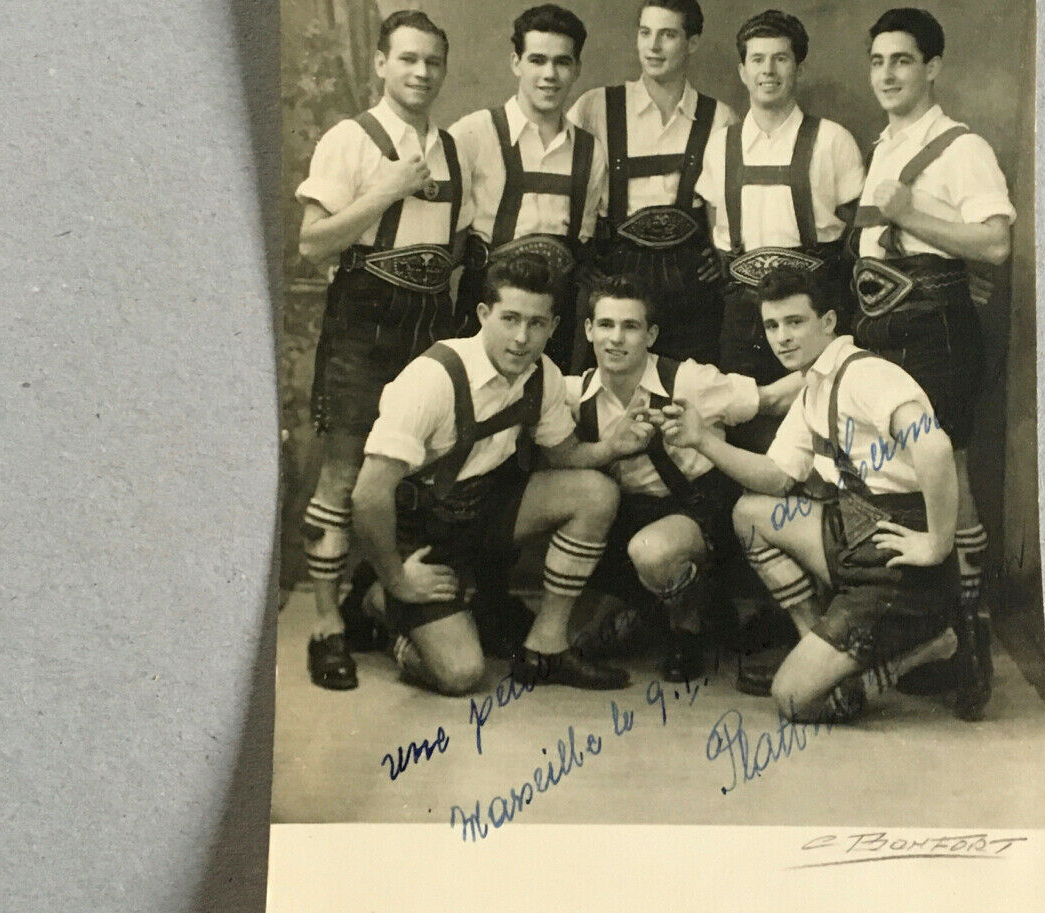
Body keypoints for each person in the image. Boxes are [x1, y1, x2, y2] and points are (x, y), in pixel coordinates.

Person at [660, 267, 991, 722]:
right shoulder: (815, 384)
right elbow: (776, 477)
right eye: (772, 326)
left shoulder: (866, 374)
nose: (782, 337)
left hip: (899, 558)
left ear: (829, 322)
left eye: (795, 322)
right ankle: (815, 639)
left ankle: (937, 643)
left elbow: (933, 445)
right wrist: (703, 440)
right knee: (752, 513)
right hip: (856, 533)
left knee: (794, 698)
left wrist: (937, 542)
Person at [350, 256, 657, 695]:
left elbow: (565, 454)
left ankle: (546, 647)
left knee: (594, 492)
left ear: (552, 327)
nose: (521, 338)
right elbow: (367, 495)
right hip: (418, 534)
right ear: (482, 316)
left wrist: (612, 447)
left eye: (536, 323)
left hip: (481, 513)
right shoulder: (433, 378)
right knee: (460, 674)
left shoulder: (543, 376)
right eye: (510, 319)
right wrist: (399, 577)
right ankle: (379, 600)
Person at [294, 10, 472, 691]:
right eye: (408, 59)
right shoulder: (352, 139)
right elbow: (313, 242)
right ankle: (327, 628)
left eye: (433, 62)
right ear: (380, 64)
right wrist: (385, 190)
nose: (421, 73)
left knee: (416, 469)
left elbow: (458, 241)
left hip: (429, 320)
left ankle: (383, 600)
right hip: (364, 318)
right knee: (344, 471)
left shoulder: (452, 148)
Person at [852, 8, 1014, 697]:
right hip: (882, 329)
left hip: (936, 328)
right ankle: (931, 630)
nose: (888, 74)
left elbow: (996, 244)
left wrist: (908, 212)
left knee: (953, 478)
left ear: (933, 68)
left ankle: (970, 641)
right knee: (901, 480)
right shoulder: (883, 143)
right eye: (878, 61)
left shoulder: (960, 147)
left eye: (903, 61)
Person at [562, 275, 802, 679]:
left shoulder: (689, 381)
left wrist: (837, 366)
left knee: (653, 552)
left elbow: (773, 399)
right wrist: (610, 449)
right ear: (588, 330)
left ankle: (687, 628)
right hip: (628, 516)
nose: (616, 339)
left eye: (631, 326)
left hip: (698, 514)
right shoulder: (572, 394)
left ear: (651, 334)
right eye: (605, 325)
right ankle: (647, 609)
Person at [695, 9, 865, 389]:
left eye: (780, 58)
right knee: (743, 416)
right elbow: (713, 218)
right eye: (757, 59)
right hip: (742, 312)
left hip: (812, 310)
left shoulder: (833, 140)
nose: (768, 70)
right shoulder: (721, 144)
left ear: (798, 69)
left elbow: (859, 230)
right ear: (742, 71)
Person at [569, 0, 736, 364]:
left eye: (668, 35)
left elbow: (727, 204)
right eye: (645, 33)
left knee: (688, 393)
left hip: (689, 278)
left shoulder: (720, 118)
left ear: (692, 43)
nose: (653, 46)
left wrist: (718, 253)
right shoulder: (595, 107)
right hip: (616, 270)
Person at [451, 4, 606, 371]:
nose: (549, 75)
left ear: (577, 69)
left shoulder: (589, 150)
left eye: (562, 62)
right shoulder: (473, 133)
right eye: (537, 60)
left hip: (556, 315)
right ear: (515, 63)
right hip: (487, 307)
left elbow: (583, 238)